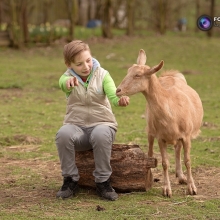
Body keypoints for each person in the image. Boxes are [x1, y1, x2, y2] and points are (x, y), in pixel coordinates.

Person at [55, 40, 130, 201]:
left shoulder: (103, 74)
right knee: (62, 134)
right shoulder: (66, 77)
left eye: (88, 60)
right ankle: (70, 180)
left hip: (103, 126)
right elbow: (62, 84)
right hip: (77, 128)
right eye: (79, 64)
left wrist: (120, 101)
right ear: (69, 64)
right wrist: (67, 83)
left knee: (100, 134)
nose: (86, 66)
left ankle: (103, 181)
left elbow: (113, 96)